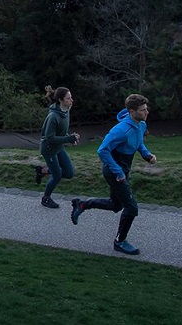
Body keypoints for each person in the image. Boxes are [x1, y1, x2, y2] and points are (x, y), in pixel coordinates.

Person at [69, 93, 157, 255]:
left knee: (116, 205)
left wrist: (147, 155)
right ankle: (120, 241)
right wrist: (117, 171)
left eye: (146, 109)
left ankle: (81, 204)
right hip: (113, 170)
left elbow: (139, 143)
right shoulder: (120, 130)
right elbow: (102, 150)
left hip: (124, 169)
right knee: (131, 208)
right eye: (142, 110)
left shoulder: (141, 124)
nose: (146, 113)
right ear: (131, 111)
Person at [33, 85, 79, 208]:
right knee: (57, 175)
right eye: (68, 98)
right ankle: (45, 199)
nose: (71, 100)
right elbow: (50, 138)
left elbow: (62, 132)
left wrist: (70, 138)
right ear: (60, 100)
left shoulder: (66, 111)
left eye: (71, 97)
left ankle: (43, 170)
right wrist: (69, 139)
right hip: (49, 149)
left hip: (58, 147)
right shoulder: (53, 116)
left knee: (69, 173)